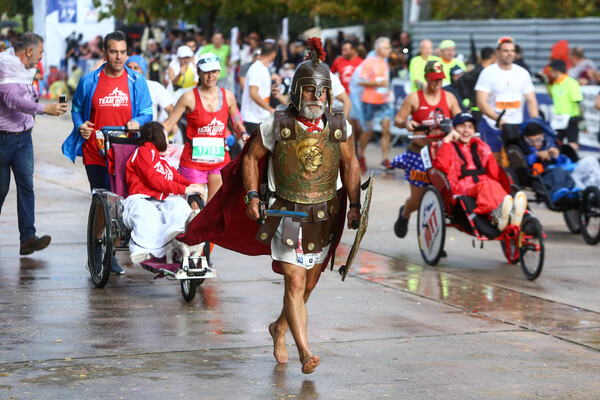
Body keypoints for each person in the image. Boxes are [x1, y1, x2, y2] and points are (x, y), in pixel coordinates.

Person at [176, 38, 361, 374]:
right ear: (296, 91)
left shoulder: (339, 126)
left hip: (324, 215)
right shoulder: (277, 124)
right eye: (308, 91)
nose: (315, 98)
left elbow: (350, 165)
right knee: (294, 281)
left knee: (309, 284)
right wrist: (251, 196)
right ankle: (305, 351)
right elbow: (250, 159)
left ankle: (280, 326)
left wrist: (355, 205)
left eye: (321, 92)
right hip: (286, 213)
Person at [63, 30, 153, 274]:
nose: (119, 57)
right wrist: (81, 125)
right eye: (113, 51)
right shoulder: (89, 81)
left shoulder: (137, 81)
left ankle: (111, 251)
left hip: (125, 152)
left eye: (123, 52)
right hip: (96, 150)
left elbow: (148, 113)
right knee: (101, 200)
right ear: (104, 53)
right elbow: (77, 109)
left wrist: (137, 121)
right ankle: (98, 249)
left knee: (120, 203)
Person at [0, 32, 67, 255]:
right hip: (3, 140)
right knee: (1, 190)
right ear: (29, 51)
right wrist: (44, 109)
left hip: (24, 140)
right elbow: (13, 100)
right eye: (39, 54)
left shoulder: (24, 70)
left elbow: (27, 97)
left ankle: (27, 238)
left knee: (26, 188)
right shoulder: (6, 68)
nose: (40, 59)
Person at [162, 52, 249, 203]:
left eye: (214, 71)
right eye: (206, 72)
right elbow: (168, 124)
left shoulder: (228, 96)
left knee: (215, 207)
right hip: (193, 161)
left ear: (218, 72)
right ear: (199, 73)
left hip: (219, 160)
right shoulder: (188, 97)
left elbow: (236, 121)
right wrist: (154, 138)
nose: (210, 76)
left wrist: (243, 134)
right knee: (194, 207)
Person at [392, 60, 461, 238]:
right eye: (433, 80)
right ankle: (405, 213)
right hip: (419, 152)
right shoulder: (414, 98)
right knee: (417, 200)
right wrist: (407, 123)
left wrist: (459, 130)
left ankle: (434, 240)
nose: (437, 84)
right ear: (425, 78)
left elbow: (460, 121)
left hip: (442, 151)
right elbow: (398, 120)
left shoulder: (449, 97)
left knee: (444, 196)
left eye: (440, 80)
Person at [122, 122, 204, 263]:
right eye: (166, 137)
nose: (168, 141)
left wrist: (193, 186)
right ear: (158, 137)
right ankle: (144, 251)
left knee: (180, 208)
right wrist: (184, 189)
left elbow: (178, 178)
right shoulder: (143, 152)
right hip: (141, 198)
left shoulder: (163, 162)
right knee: (146, 216)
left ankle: (179, 247)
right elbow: (153, 179)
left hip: (163, 201)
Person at [434, 113, 528, 232]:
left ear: (474, 131)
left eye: (470, 127)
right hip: (462, 187)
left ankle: (509, 212)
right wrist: (447, 139)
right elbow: (442, 165)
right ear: (454, 129)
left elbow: (494, 172)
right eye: (462, 126)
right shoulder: (449, 146)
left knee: (494, 184)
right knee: (487, 186)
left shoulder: (479, 146)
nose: (466, 130)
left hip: (483, 183)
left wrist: (488, 154)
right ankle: (497, 214)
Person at [475, 36, 538, 165]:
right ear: (497, 52)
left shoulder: (522, 73)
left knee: (516, 162)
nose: (509, 54)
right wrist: (498, 119)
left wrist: (536, 122)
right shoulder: (488, 73)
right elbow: (481, 102)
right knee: (494, 163)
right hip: (493, 126)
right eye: (505, 51)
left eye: (512, 51)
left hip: (516, 125)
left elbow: (531, 100)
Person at [358, 37, 394, 170]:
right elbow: (361, 81)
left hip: (383, 101)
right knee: (368, 131)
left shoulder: (384, 62)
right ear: (378, 49)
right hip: (369, 101)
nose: (389, 50)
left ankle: (385, 158)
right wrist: (378, 83)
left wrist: (388, 91)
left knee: (387, 129)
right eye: (386, 48)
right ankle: (361, 155)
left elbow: (385, 81)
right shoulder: (369, 62)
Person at [240, 40, 277, 135]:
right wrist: (269, 108)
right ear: (273, 54)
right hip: (252, 119)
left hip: (260, 117)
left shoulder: (263, 69)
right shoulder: (257, 68)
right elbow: (253, 93)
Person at [546, 59, 583, 152]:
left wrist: (582, 120)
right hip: (558, 119)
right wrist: (546, 83)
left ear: (556, 70)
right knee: (557, 143)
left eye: (550, 69)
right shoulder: (555, 84)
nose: (549, 72)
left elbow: (579, 101)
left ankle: (572, 163)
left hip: (571, 119)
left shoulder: (571, 82)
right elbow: (552, 95)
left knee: (572, 144)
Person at [126, 55, 174, 123]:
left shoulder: (154, 86)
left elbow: (170, 108)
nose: (132, 71)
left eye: (136, 68)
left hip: (149, 131)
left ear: (143, 71)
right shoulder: (120, 87)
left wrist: (169, 126)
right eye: (129, 68)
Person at [459, 47, 495, 124]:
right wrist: (466, 97)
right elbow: (461, 80)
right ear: (493, 56)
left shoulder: (489, 71)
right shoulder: (478, 71)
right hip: (477, 110)